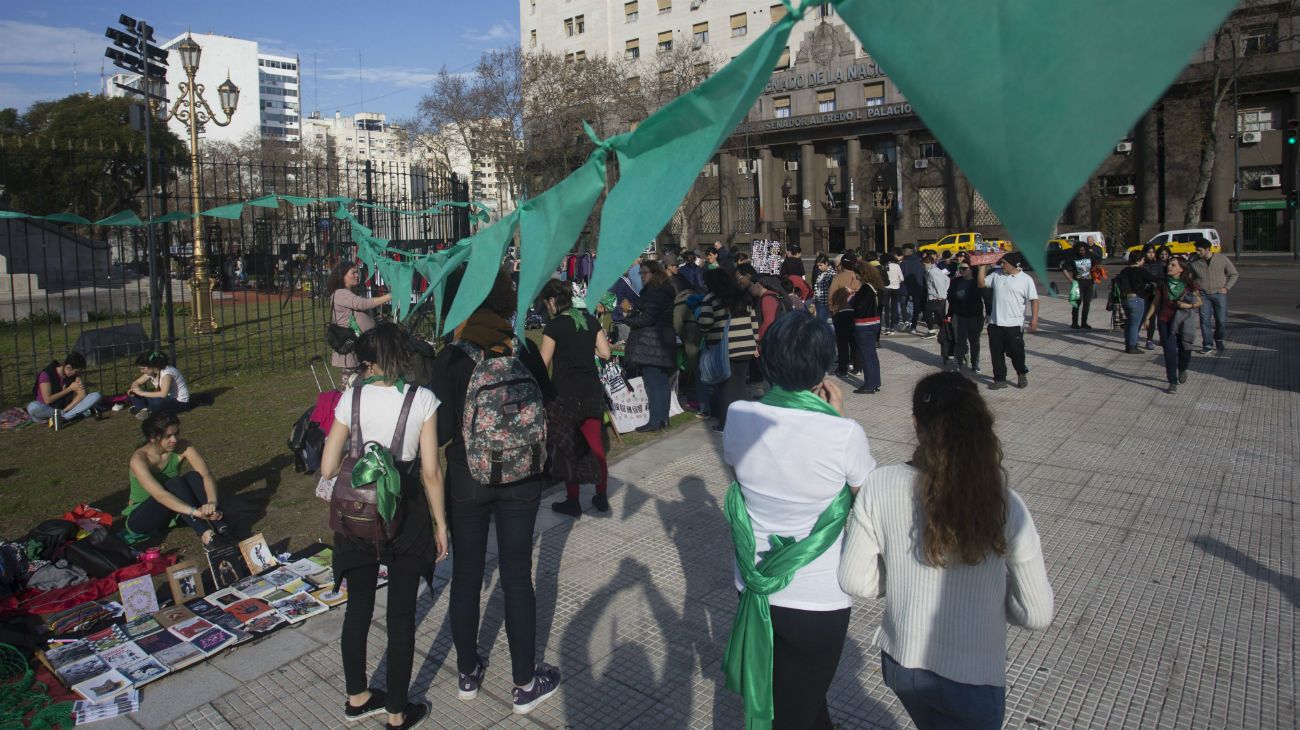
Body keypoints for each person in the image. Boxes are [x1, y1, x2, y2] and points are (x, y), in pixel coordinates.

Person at [839, 372, 1053, 730]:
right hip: (974, 680)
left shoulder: (879, 485)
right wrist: (994, 603)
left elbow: (853, 579)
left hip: (903, 665)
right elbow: (1036, 613)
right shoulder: (1006, 506)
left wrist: (902, 579)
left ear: (915, 425)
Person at [722, 312, 875, 730]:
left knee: (797, 699)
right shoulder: (844, 434)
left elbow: (742, 477)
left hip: (754, 586)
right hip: (818, 598)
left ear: (764, 359)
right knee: (796, 710)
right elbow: (869, 504)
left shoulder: (738, 415)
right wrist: (835, 420)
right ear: (824, 369)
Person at [429, 268, 561, 715]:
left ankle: (468, 672)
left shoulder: (451, 358)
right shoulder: (518, 345)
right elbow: (547, 397)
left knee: (466, 574)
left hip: (468, 476)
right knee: (517, 574)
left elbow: (443, 429)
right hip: (521, 476)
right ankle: (525, 681)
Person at [320, 322, 447, 730]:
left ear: (365, 360)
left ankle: (356, 696)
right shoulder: (422, 398)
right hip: (406, 515)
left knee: (357, 608)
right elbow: (431, 472)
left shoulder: (349, 398)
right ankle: (396, 710)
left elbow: (325, 466)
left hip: (357, 515)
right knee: (401, 617)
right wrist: (440, 525)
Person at [538, 280, 613, 517]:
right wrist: (584, 348)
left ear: (551, 301)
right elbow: (605, 353)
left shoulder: (554, 326)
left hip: (565, 394)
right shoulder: (589, 320)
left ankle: (573, 500)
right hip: (590, 391)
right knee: (596, 445)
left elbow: (543, 364)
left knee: (570, 448)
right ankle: (601, 495)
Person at [122, 411, 230, 547]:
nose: (174, 440)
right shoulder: (139, 459)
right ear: (153, 438)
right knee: (175, 483)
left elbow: (205, 474)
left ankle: (222, 528)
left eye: (176, 433)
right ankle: (207, 535)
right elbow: (161, 496)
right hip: (143, 517)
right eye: (168, 436)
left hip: (173, 509)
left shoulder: (183, 445)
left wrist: (212, 502)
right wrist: (196, 512)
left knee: (193, 476)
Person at [697, 267, 758, 433]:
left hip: (725, 349)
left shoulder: (710, 298)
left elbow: (705, 323)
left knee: (725, 388)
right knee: (740, 385)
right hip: (746, 347)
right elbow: (754, 322)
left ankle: (726, 424)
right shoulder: (743, 296)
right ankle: (743, 422)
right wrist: (755, 343)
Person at [623, 260, 677, 433]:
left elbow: (648, 318)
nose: (642, 276)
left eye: (644, 273)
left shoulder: (655, 291)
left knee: (653, 382)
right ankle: (663, 418)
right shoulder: (663, 289)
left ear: (654, 273)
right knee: (661, 382)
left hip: (652, 341)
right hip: (662, 339)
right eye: (641, 273)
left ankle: (655, 420)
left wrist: (627, 317)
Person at [978, 253, 1039, 390]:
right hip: (995, 323)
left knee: (1016, 353)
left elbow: (1034, 300)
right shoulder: (997, 275)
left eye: (1004, 263)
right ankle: (1000, 379)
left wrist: (1034, 320)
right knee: (996, 353)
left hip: (1014, 325)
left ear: (1013, 264)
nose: (1001, 265)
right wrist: (982, 267)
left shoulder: (1025, 279)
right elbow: (981, 283)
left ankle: (1021, 372)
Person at [1144, 257, 1202, 394]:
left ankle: (1182, 368)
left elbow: (1200, 302)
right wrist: (1147, 317)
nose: (1169, 266)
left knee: (1185, 348)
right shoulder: (1162, 283)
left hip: (1184, 320)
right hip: (1165, 320)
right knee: (1169, 352)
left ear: (1181, 268)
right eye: (1169, 264)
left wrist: (1188, 305)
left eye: (1173, 264)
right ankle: (1172, 382)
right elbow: (1155, 302)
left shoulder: (1189, 284)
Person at [328, 260, 392, 374]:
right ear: (343, 275)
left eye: (357, 272)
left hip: (359, 345)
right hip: (350, 347)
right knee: (352, 383)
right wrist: (390, 296)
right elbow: (363, 304)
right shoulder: (340, 294)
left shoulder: (348, 293)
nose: (357, 275)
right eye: (353, 273)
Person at [26, 352, 102, 429]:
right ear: (68, 367)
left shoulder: (74, 375)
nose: (78, 374)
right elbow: (48, 400)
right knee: (32, 407)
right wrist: (69, 389)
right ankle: (67, 416)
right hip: (46, 410)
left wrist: (65, 410)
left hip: (64, 409)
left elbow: (82, 395)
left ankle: (63, 418)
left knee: (96, 395)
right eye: (76, 371)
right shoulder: (46, 375)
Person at [1188, 239, 1237, 355]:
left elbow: (1233, 274)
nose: (1197, 252)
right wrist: (1195, 290)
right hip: (1203, 295)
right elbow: (1190, 278)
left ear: (1207, 249)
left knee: (1221, 320)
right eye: (1196, 250)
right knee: (1205, 321)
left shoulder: (1222, 259)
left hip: (1219, 294)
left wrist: (1226, 288)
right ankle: (1207, 344)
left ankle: (1218, 338)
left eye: (1199, 250)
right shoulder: (1195, 263)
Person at [849, 260, 885, 395]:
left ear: (861, 273)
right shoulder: (874, 286)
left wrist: (851, 298)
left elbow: (858, 306)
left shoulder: (865, 288)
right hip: (874, 323)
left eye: (855, 273)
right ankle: (875, 382)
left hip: (864, 325)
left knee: (866, 355)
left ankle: (869, 384)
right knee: (872, 354)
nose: (854, 276)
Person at [947, 261, 989, 373]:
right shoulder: (955, 281)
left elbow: (986, 297)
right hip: (959, 315)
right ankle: (958, 364)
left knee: (974, 341)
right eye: (960, 268)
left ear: (971, 269)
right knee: (960, 341)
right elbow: (951, 299)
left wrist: (989, 313)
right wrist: (949, 314)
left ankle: (975, 364)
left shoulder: (977, 282)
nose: (961, 270)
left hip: (975, 316)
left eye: (964, 268)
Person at [1115, 251, 1160, 354]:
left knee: (1129, 323)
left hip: (1125, 300)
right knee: (1135, 324)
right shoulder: (1140, 271)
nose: (1144, 261)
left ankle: (1128, 345)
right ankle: (1132, 346)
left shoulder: (1125, 270)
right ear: (1139, 260)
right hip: (1136, 299)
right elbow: (1154, 279)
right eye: (1143, 259)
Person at [125, 352, 191, 419]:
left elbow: (163, 394)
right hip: (165, 399)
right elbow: (136, 382)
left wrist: (141, 393)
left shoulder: (167, 374)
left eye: (143, 368)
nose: (141, 371)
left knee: (157, 402)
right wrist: (135, 390)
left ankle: (143, 409)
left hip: (179, 402)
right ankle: (144, 410)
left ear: (152, 366)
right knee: (132, 393)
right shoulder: (152, 371)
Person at [828, 253, 861, 376]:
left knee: (842, 342)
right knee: (854, 340)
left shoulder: (837, 278)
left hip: (841, 312)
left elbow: (831, 296)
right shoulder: (858, 277)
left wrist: (832, 309)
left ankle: (843, 368)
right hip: (855, 312)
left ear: (842, 264)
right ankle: (857, 366)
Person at [1061, 241, 1100, 329]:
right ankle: (1074, 323)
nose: (1082, 252)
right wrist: (1070, 279)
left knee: (1087, 304)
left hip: (1089, 283)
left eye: (1083, 250)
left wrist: (1097, 270)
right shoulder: (1073, 257)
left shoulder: (1089, 255)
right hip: (1077, 283)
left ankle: (1084, 323)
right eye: (1080, 250)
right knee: (1076, 304)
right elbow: (1064, 268)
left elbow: (1097, 263)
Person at [1141, 245, 1168, 350]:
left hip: (1155, 294)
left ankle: (1149, 339)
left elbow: (1162, 278)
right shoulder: (1142, 265)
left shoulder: (1158, 264)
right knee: (1143, 317)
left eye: (1152, 252)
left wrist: (1156, 284)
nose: (1151, 254)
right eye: (1149, 252)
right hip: (1144, 294)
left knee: (1153, 317)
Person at [921, 254, 950, 340]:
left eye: (924, 264)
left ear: (929, 263)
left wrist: (941, 295)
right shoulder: (936, 270)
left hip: (935, 298)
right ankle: (945, 331)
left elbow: (939, 284)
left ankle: (932, 331)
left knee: (927, 314)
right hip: (937, 297)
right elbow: (947, 279)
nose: (924, 266)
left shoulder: (933, 272)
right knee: (939, 316)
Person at [899, 245, 926, 332]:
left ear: (907, 252)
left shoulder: (903, 262)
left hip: (905, 286)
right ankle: (913, 326)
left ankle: (906, 320)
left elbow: (900, 275)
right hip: (918, 286)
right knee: (916, 306)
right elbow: (923, 274)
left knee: (903, 304)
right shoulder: (920, 261)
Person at [881, 251, 903, 335]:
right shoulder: (897, 266)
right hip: (896, 288)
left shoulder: (884, 266)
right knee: (894, 308)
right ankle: (892, 327)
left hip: (886, 288)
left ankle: (887, 328)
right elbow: (902, 278)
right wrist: (897, 282)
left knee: (886, 309)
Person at [811, 254, 835, 328]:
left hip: (825, 304)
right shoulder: (821, 273)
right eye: (818, 266)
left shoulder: (831, 274)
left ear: (826, 263)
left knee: (823, 325)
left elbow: (832, 290)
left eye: (821, 265)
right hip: (819, 302)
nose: (819, 267)